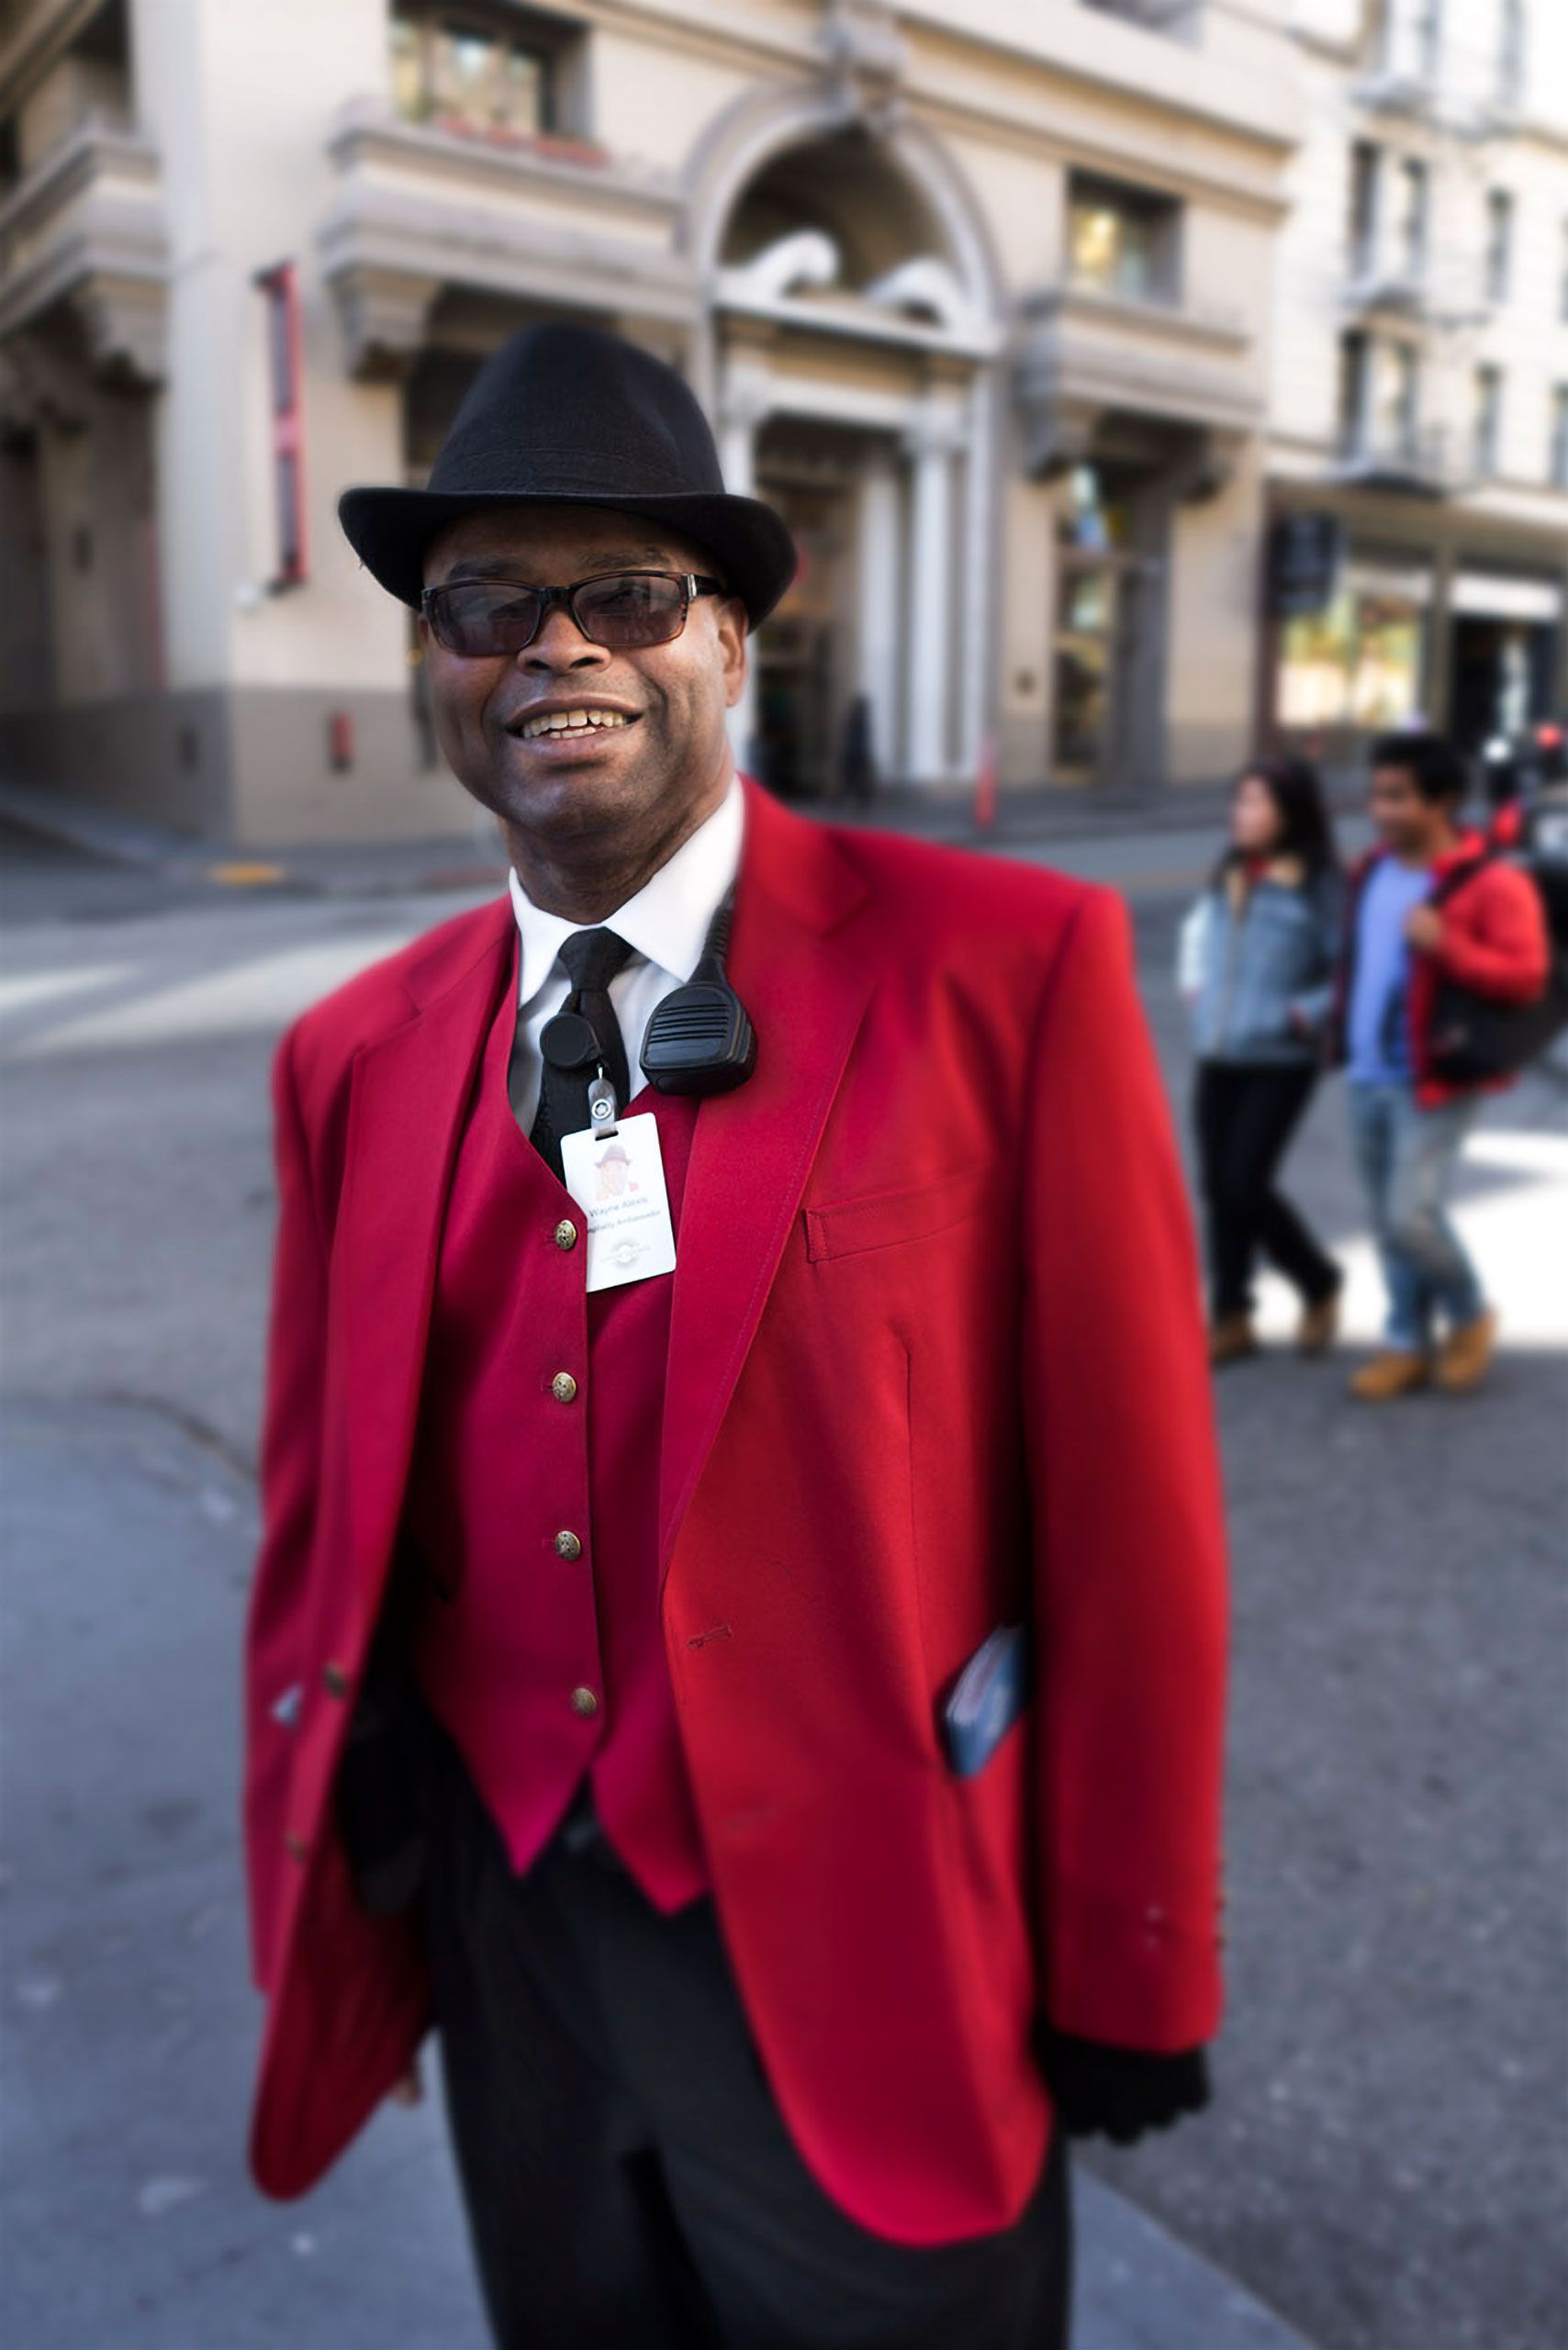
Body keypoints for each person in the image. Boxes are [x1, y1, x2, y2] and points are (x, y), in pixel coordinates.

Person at [241, 323, 1228, 2350]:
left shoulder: (1003, 968)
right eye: (487, 603)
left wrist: (1132, 1955)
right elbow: (319, 1522)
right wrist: (339, 1878)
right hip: (510, 1937)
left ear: (727, 640)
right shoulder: (348, 1055)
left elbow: (1131, 1531)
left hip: (868, 1945)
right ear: (434, 658)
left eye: (624, 591)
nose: (554, 645)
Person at [1329, 729, 1550, 1402]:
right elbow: (1360, 963)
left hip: (1435, 1076)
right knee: (1384, 1220)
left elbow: (1527, 977)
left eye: (1398, 797)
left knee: (1410, 1217)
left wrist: (1447, 945)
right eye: (1377, 795)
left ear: (1444, 801)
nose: (1381, 810)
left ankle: (1469, 1313)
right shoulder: (1370, 870)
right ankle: (1405, 1342)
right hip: (1366, 1071)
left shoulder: (1493, 882)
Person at [1178, 755, 1343, 1365]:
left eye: (1254, 802)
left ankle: (1318, 1281)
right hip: (1219, 1051)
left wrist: (1303, 1015)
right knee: (1217, 1186)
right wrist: (1199, 997)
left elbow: (1347, 971)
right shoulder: (1232, 867)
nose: (1239, 813)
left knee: (1244, 1185)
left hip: (1280, 1058)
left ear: (1289, 812)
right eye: (1238, 800)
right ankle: (1232, 1315)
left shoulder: (1319, 882)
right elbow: (1204, 940)